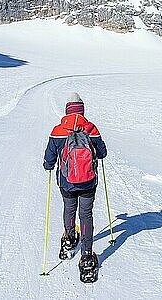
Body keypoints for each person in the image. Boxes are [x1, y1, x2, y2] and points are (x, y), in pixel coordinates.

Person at [43, 92, 107, 278]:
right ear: (82, 110)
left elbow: (49, 158)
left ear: (67, 110)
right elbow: (102, 153)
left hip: (67, 182)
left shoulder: (57, 130)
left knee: (69, 209)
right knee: (86, 214)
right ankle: (86, 255)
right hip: (88, 182)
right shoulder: (91, 129)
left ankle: (70, 238)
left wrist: (48, 166)